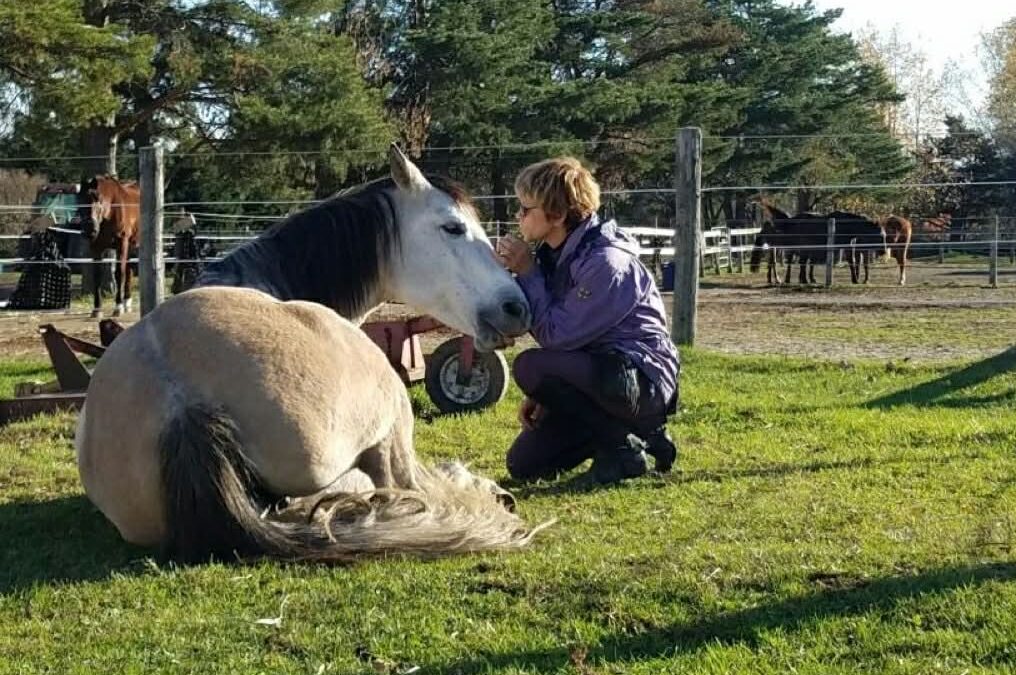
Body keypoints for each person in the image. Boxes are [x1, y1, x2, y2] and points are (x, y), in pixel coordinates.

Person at [495, 157, 679, 484]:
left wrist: (527, 272)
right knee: (524, 465)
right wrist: (545, 394)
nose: (518, 216)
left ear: (556, 215)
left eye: (525, 209)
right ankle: (641, 437)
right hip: (601, 379)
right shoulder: (553, 257)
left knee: (529, 366)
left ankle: (624, 451)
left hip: (639, 378)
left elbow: (556, 335)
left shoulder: (606, 262)